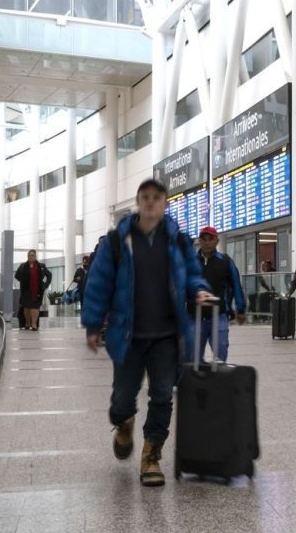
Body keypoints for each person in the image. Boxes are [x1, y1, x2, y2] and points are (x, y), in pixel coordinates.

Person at [82, 179, 211, 487]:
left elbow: (193, 274)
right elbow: (99, 284)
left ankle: (151, 456)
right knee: (123, 398)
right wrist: (92, 325)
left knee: (163, 395)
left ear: (165, 203)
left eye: (157, 197)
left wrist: (200, 290)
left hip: (168, 336)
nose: (151, 202)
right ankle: (123, 424)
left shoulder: (178, 241)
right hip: (128, 336)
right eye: (145, 197)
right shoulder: (117, 241)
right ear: (138, 202)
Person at [190, 226, 246, 362]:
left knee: (221, 353)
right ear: (199, 241)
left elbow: (236, 285)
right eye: (204, 239)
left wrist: (240, 309)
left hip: (218, 315)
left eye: (210, 239)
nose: (207, 242)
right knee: (193, 358)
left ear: (217, 241)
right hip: (194, 317)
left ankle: (218, 381)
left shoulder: (226, 261)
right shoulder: (190, 262)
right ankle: (197, 381)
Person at [14, 250, 52, 331]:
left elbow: (49, 275)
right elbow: (16, 276)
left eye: (32, 255)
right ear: (27, 257)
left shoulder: (41, 266)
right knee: (27, 307)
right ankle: (27, 323)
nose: (31, 257)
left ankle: (34, 325)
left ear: (35, 256)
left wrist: (45, 285)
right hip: (26, 290)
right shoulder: (23, 266)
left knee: (35, 307)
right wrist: (23, 281)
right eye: (29, 255)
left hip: (37, 290)